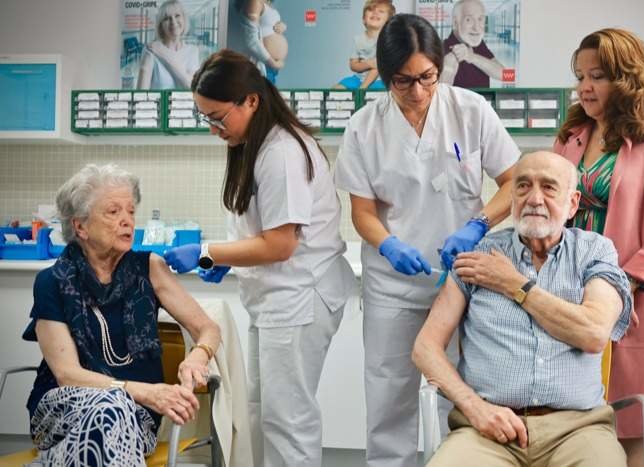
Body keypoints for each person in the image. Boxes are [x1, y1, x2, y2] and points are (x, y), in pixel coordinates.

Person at [334, 13, 520, 467]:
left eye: (426, 78)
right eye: (402, 81)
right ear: (384, 75)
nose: (417, 92)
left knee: (458, 391)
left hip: (462, 279)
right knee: (388, 391)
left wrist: (477, 224)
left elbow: (515, 182)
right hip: (392, 284)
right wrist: (389, 246)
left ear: (438, 67)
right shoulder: (363, 127)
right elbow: (362, 212)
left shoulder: (471, 111)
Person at [162, 49, 356, 467]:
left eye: (217, 117)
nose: (214, 129)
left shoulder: (282, 151)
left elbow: (280, 244)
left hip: (299, 298)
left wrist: (208, 253)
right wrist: (228, 258)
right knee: (261, 412)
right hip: (276, 299)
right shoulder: (253, 141)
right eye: (205, 118)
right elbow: (264, 232)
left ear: (251, 100)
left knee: (288, 420)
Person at [413, 151, 633, 467]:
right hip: (486, 429)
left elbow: (594, 333)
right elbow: (425, 348)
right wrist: (475, 408)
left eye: (549, 187)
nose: (534, 198)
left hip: (578, 429)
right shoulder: (479, 254)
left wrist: (515, 284)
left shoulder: (594, 251)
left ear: (573, 204)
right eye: (523, 186)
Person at [553, 28, 644, 467]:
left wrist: (623, 281)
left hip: (634, 300)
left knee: (629, 429)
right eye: (579, 75)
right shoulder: (573, 134)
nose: (584, 87)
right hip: (570, 296)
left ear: (626, 77)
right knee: (573, 427)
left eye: (597, 75)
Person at [21, 164, 221, 466]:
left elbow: (208, 328)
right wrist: (140, 392)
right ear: (81, 227)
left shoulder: (150, 268)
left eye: (130, 211)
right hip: (62, 410)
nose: (127, 221)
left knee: (111, 412)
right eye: (113, 212)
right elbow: (67, 375)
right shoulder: (52, 282)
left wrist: (198, 356)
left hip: (137, 417)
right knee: (110, 406)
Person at [439, 0, 505, 88]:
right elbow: (441, 94)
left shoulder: (477, 44)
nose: (476, 28)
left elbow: (508, 76)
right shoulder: (443, 49)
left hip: (482, 101)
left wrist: (472, 57)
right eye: (468, 20)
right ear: (455, 23)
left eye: (480, 19)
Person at [137, 0, 200, 89]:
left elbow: (192, 87)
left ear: (184, 19)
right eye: (166, 18)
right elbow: (141, 95)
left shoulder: (193, 50)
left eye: (177, 15)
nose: (173, 22)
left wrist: (163, 55)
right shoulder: (150, 50)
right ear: (161, 25)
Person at [335, 0, 395, 90]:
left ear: (389, 21)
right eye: (371, 10)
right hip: (358, 79)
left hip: (379, 80)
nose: (375, 12)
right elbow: (353, 65)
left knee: (381, 93)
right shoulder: (358, 40)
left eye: (381, 11)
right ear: (364, 19)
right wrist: (367, 64)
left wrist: (362, 88)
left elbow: (377, 67)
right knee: (336, 89)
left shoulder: (387, 40)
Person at [235, 0, 287, 83]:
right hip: (262, 66)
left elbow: (266, 24)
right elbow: (251, 41)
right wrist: (273, 63)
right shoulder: (254, 2)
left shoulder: (267, 3)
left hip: (269, 67)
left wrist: (283, 26)